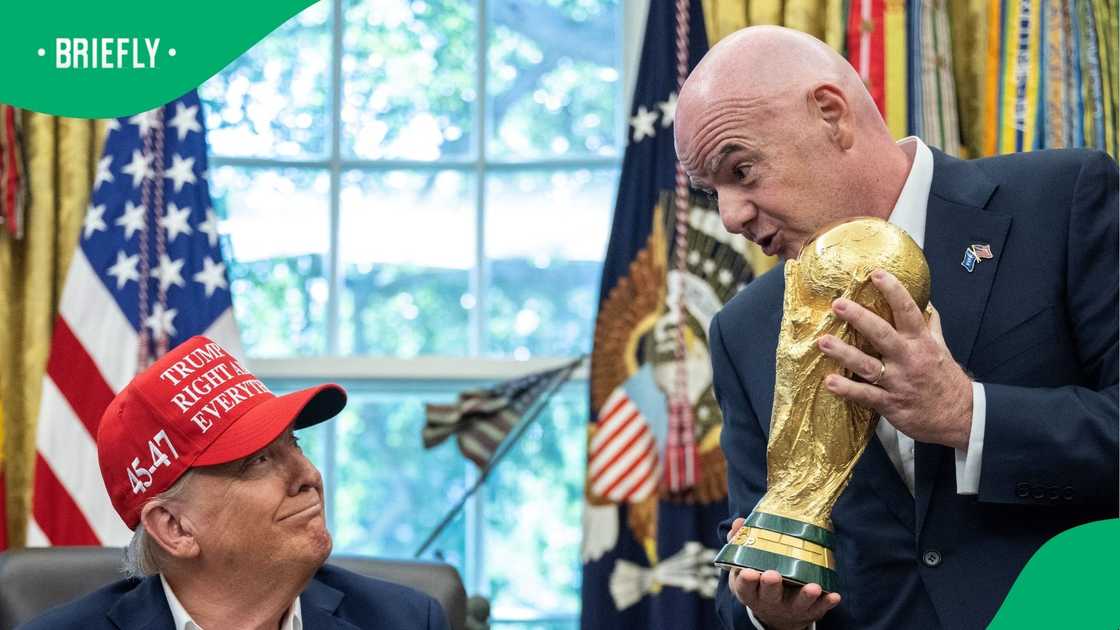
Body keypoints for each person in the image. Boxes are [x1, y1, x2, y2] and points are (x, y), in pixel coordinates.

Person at [674, 25, 1119, 630]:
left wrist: (968, 416)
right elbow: (747, 559)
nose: (730, 217)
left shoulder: (1063, 201)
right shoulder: (744, 328)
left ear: (831, 115)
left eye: (742, 171)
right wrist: (770, 612)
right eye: (711, 191)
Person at [21, 336, 450, 630]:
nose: (308, 476)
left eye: (294, 444)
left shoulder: (405, 619)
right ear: (175, 526)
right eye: (259, 459)